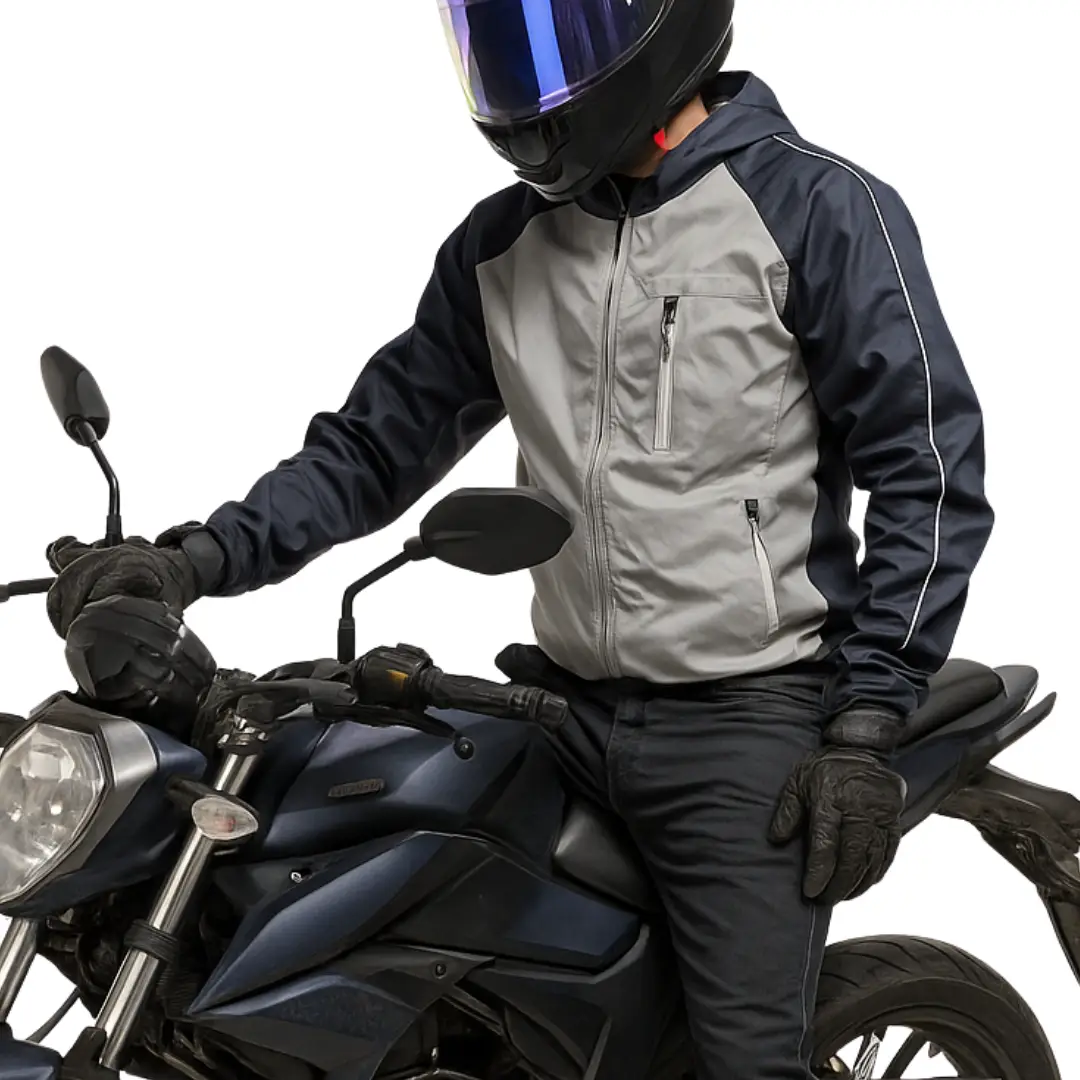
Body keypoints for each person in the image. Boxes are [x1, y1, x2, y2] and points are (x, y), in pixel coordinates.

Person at [44, 1, 995, 1076]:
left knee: (743, 1062)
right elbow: (373, 447)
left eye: (558, 38)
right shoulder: (503, 244)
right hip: (558, 704)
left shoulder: (815, 209)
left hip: (742, 722)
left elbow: (929, 470)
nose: (527, 81)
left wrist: (867, 722)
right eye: (501, 43)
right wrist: (190, 562)